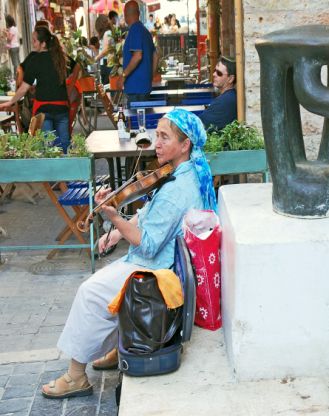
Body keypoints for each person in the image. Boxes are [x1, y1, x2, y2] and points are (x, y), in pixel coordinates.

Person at [40, 109, 217, 399]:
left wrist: (115, 217)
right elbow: (149, 215)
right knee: (104, 283)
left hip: (157, 270)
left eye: (164, 137)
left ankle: (75, 376)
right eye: (156, 135)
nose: (156, 143)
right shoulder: (180, 174)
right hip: (154, 260)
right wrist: (117, 232)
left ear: (185, 145)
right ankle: (120, 342)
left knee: (91, 291)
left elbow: (148, 244)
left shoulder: (178, 189)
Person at [0, 26, 75, 152]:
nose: (33, 44)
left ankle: (51, 171)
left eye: (34, 40)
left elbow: (24, 88)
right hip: (62, 108)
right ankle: (65, 170)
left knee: (48, 150)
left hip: (43, 111)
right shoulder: (61, 57)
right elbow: (75, 69)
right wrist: (69, 87)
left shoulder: (35, 60)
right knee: (64, 148)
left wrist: (11, 101)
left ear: (43, 43)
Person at [121, 0, 157, 102]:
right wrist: (149, 77)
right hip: (144, 87)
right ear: (139, 13)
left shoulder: (135, 30)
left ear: (125, 15)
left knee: (136, 117)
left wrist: (123, 75)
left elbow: (137, 56)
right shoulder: (145, 31)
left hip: (135, 88)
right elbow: (155, 56)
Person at [199, 56, 237, 132]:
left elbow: (200, 126)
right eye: (214, 70)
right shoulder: (229, 96)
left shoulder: (226, 101)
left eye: (219, 73)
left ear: (231, 79)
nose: (214, 74)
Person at [94, 14, 113, 85]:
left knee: (107, 86)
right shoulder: (108, 33)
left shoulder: (107, 33)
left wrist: (96, 58)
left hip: (107, 63)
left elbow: (106, 50)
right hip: (106, 63)